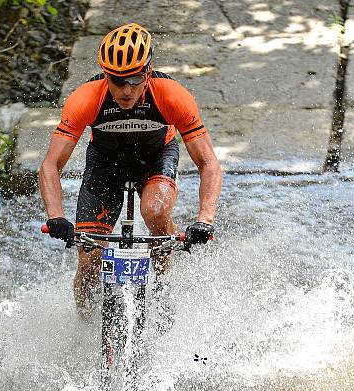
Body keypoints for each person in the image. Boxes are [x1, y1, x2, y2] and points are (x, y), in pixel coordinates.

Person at [38, 22, 222, 317]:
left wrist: (205, 219)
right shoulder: (86, 98)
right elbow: (50, 164)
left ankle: (163, 283)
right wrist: (56, 216)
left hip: (156, 157)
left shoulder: (173, 96)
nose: (126, 90)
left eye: (135, 79)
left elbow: (208, 162)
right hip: (105, 165)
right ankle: (84, 325)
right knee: (89, 260)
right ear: (106, 76)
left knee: (155, 210)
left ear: (148, 72)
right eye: (117, 80)